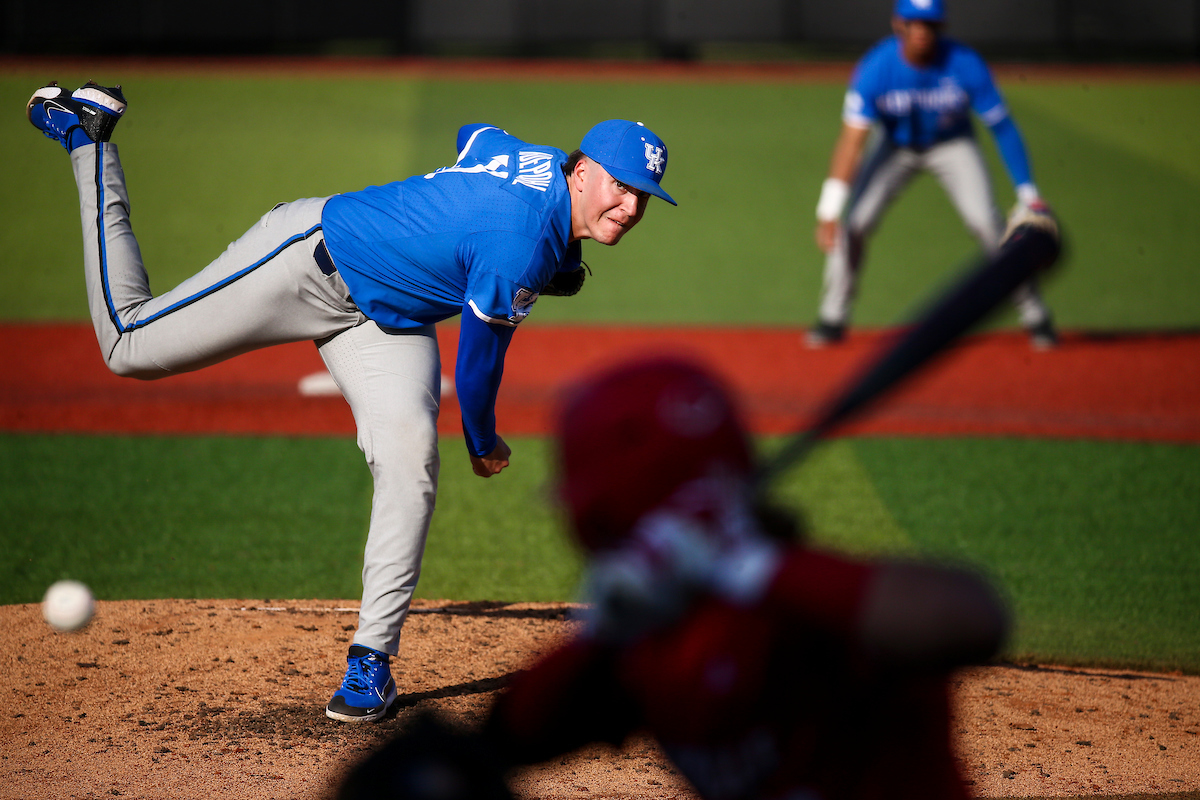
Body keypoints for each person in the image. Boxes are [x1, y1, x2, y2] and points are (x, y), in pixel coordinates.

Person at [25, 80, 676, 723]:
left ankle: (370, 662)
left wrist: (455, 207)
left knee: (410, 460)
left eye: (642, 197)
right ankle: (89, 140)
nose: (630, 208)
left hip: (382, 322)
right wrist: (483, 443)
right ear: (584, 173)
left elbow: (474, 137)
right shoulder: (521, 247)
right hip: (306, 259)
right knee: (128, 345)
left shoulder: (535, 161)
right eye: (621, 187)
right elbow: (477, 370)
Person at [338, 357, 1011, 800]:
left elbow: (974, 616)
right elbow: (504, 740)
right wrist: (605, 635)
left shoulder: (807, 611)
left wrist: (741, 564)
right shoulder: (647, 641)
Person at [809, 0, 1058, 350]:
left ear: (941, 27)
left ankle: (1036, 315)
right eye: (914, 23)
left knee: (988, 224)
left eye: (929, 23)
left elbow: (1002, 127)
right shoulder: (877, 68)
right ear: (898, 24)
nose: (921, 31)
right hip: (895, 147)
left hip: (953, 145)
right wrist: (829, 209)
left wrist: (1027, 191)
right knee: (853, 225)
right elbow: (852, 141)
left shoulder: (964, 63)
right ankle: (832, 318)